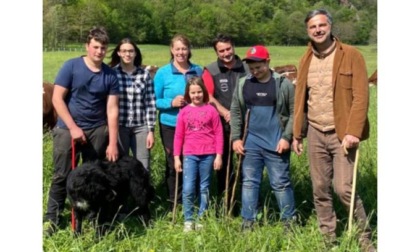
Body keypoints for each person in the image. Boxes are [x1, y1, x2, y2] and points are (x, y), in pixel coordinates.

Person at [292, 9, 376, 252]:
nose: (317, 30)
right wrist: (298, 133)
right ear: (308, 31)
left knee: (343, 188)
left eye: (321, 25)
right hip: (317, 131)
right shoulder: (305, 58)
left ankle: (364, 239)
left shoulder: (351, 55)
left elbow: (361, 96)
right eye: (312, 27)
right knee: (319, 188)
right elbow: (300, 99)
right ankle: (328, 239)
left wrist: (353, 131)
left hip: (343, 133)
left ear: (330, 26)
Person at [43, 27, 119, 235]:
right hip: (67, 128)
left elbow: (112, 109)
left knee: (93, 176)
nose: (99, 51)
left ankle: (92, 217)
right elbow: (57, 99)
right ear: (87, 46)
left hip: (97, 130)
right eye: (95, 47)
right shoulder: (71, 66)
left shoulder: (110, 75)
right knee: (62, 175)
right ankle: (52, 219)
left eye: (103, 48)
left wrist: (112, 142)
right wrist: (74, 128)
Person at [230, 45, 296, 232]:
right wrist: (236, 138)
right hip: (250, 144)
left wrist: (287, 137)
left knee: (281, 184)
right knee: (250, 183)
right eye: (251, 68)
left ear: (268, 62)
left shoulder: (283, 84)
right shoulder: (244, 83)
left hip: (276, 144)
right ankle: (248, 221)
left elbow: (294, 113)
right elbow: (235, 110)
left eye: (258, 67)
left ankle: (289, 222)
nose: (255, 71)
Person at [153, 34, 203, 211]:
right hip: (170, 124)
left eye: (184, 48)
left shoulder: (198, 71)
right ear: (171, 50)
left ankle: (193, 200)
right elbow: (154, 100)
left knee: (194, 161)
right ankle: (175, 202)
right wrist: (170, 103)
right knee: (174, 163)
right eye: (177, 49)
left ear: (189, 50)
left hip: (196, 125)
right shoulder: (163, 73)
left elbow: (205, 95)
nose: (181, 52)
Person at [202, 34, 249, 212]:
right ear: (216, 52)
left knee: (248, 165)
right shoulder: (211, 70)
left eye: (228, 49)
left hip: (247, 124)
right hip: (222, 125)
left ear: (233, 47)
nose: (226, 53)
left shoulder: (246, 67)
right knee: (225, 168)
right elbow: (208, 95)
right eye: (221, 51)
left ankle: (249, 204)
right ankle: (227, 205)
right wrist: (225, 112)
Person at [173, 76, 223, 232]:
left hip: (208, 154)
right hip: (189, 155)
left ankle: (201, 217)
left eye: (199, 92)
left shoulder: (211, 110)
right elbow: (179, 135)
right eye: (193, 93)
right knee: (188, 187)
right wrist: (176, 157)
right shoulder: (184, 111)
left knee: (204, 187)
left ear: (204, 92)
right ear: (188, 94)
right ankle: (189, 219)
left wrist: (219, 155)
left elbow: (219, 133)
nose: (196, 95)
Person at [109, 38, 157, 172]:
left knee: (143, 166)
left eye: (131, 51)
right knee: (119, 166)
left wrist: (151, 130)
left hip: (140, 127)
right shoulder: (112, 73)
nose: (127, 54)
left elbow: (150, 103)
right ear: (118, 53)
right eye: (124, 51)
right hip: (119, 127)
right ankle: (123, 193)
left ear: (135, 53)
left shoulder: (144, 74)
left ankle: (143, 193)